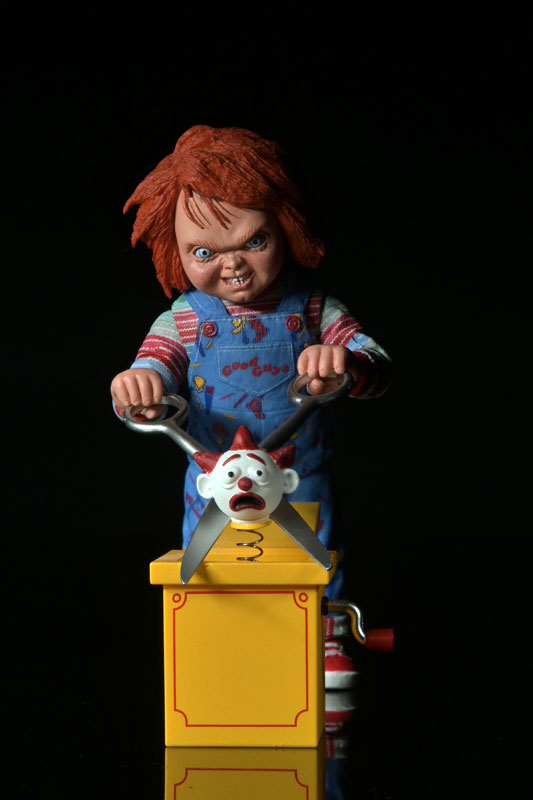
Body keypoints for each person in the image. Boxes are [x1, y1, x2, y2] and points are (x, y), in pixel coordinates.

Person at [111, 125, 390, 689]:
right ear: (175, 252)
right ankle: (214, 645)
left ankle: (326, 638)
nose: (233, 265)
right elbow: (154, 368)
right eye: (204, 252)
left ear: (284, 226)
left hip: (299, 477)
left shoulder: (315, 309)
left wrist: (346, 363)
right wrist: (140, 386)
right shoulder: (183, 320)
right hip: (213, 485)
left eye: (254, 242)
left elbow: (376, 365)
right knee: (208, 570)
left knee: (315, 560)